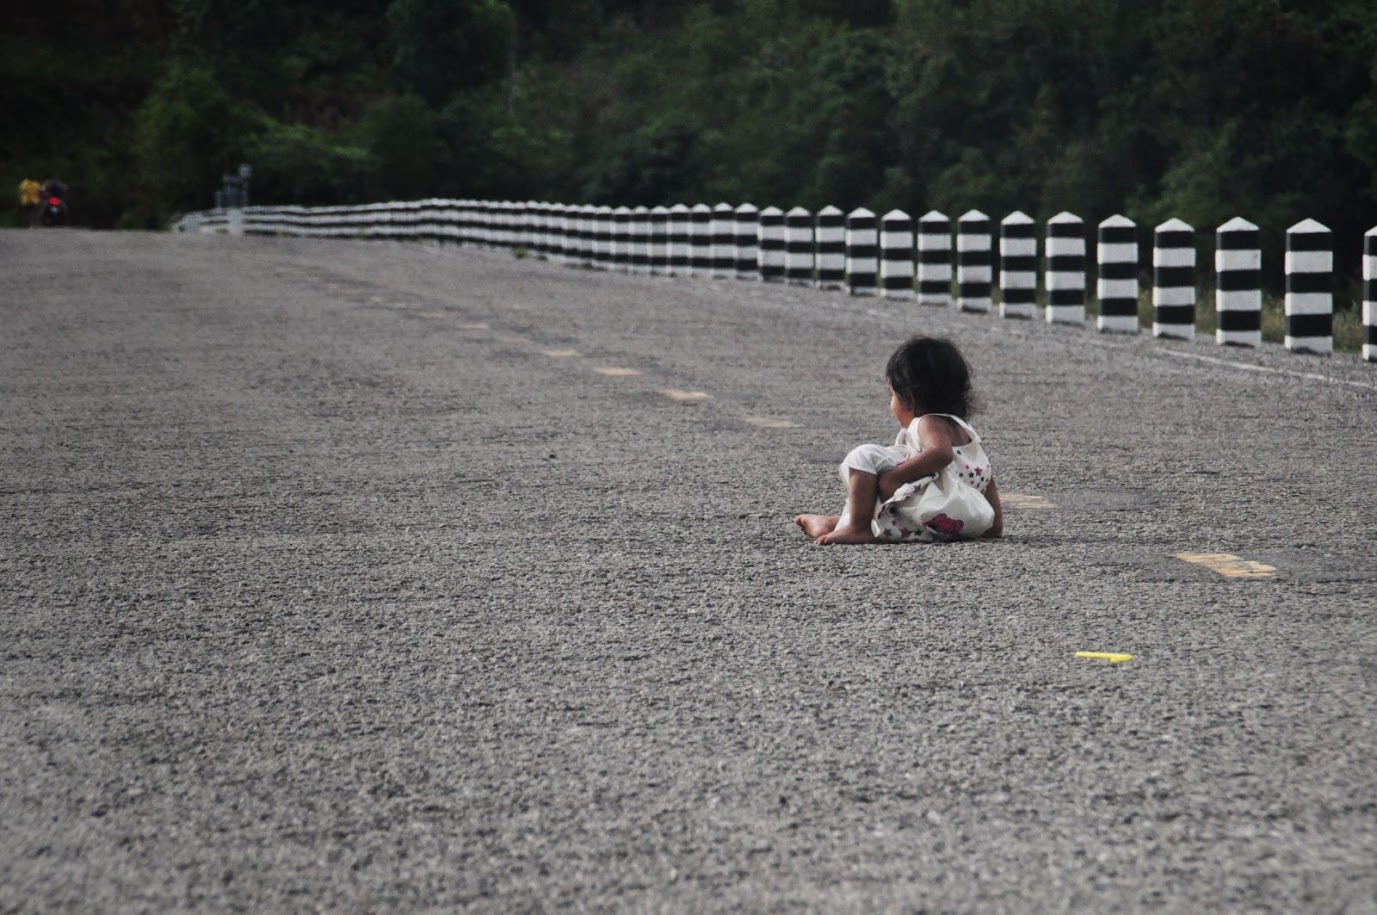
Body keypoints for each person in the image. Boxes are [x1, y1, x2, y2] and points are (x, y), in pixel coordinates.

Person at [794, 335, 1003, 545]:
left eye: (891, 395)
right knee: (891, 493)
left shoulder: (928, 423)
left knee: (864, 457)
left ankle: (858, 527)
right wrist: (993, 526)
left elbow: (941, 453)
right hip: (959, 521)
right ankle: (834, 523)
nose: (891, 404)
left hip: (936, 509)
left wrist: (895, 477)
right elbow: (987, 477)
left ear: (909, 399)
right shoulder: (965, 430)